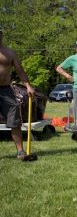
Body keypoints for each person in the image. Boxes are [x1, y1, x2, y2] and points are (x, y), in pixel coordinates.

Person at [0, 28, 35, 159]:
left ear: (2, 35)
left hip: (6, 90)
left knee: (14, 120)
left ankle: (20, 151)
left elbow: (20, 70)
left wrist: (28, 86)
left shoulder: (10, 53)